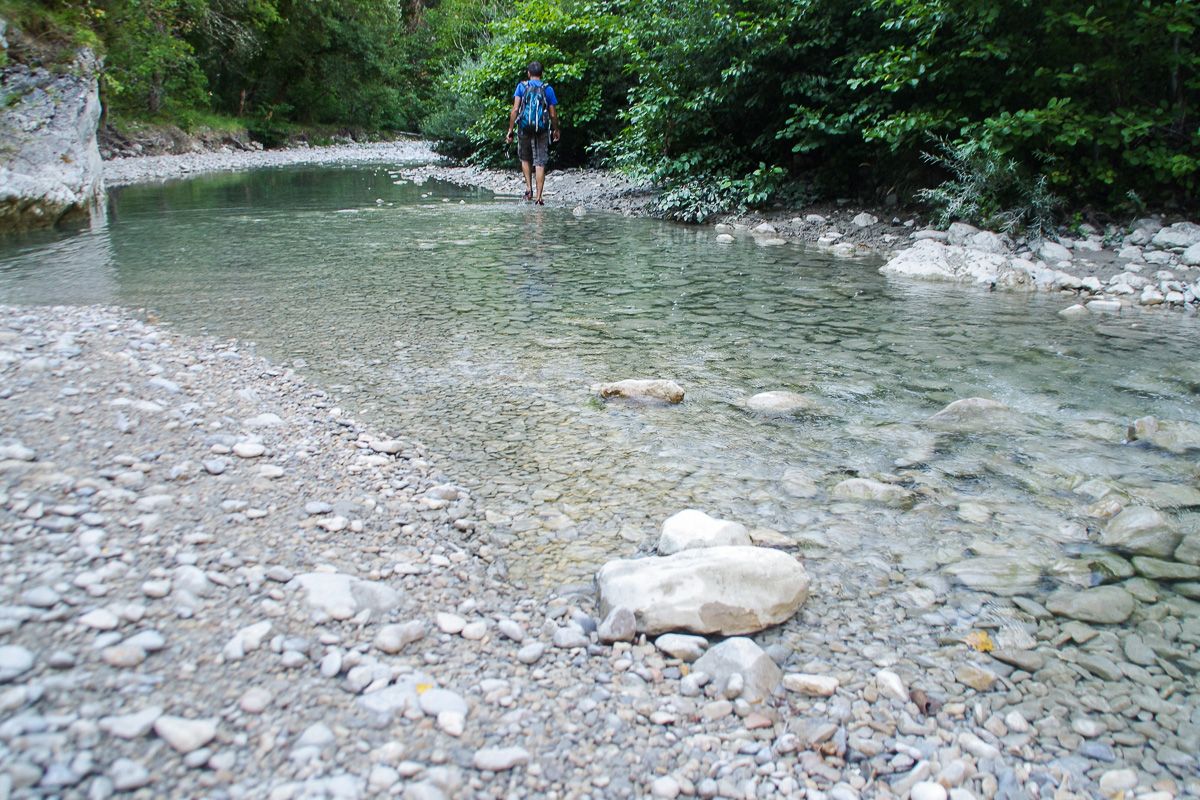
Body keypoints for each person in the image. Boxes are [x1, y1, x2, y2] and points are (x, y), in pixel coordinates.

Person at [505, 62, 561, 205]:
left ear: (528, 73)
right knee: (540, 162)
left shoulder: (521, 87)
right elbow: (553, 114)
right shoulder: (547, 89)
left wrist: (510, 130)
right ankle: (539, 197)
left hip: (524, 127)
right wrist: (556, 129)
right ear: (541, 74)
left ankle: (528, 189)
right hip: (542, 129)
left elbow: (515, 110)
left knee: (525, 158)